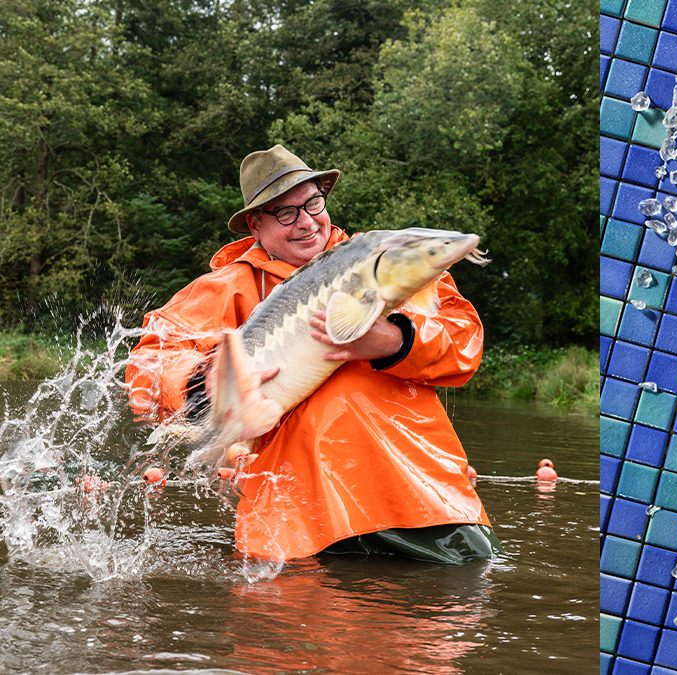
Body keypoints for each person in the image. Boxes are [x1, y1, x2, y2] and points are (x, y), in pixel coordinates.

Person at [125, 144, 500, 564]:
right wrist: (204, 383)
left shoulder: (389, 256)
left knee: (457, 608)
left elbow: (465, 344)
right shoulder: (225, 288)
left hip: (419, 493)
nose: (306, 222)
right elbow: (150, 361)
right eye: (286, 213)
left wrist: (395, 341)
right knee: (299, 621)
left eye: (313, 204)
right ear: (255, 224)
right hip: (300, 516)